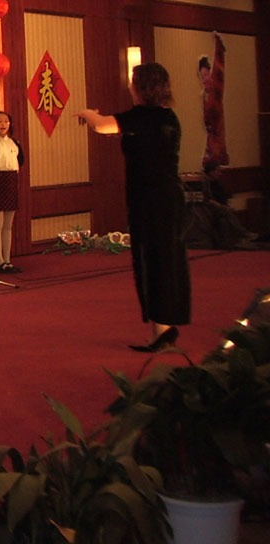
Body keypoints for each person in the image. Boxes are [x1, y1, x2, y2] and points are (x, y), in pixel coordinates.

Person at [77, 63, 189, 352]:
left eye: (133, 83)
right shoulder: (167, 117)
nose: (129, 87)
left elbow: (101, 125)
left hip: (151, 199)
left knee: (154, 260)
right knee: (165, 259)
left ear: (142, 87)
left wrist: (87, 114)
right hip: (167, 196)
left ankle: (163, 328)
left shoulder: (143, 116)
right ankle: (163, 327)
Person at [0, 111, 24, 273]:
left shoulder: (14, 142)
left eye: (6, 121)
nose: (3, 124)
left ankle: (8, 259)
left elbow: (20, 161)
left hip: (11, 180)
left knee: (8, 225)